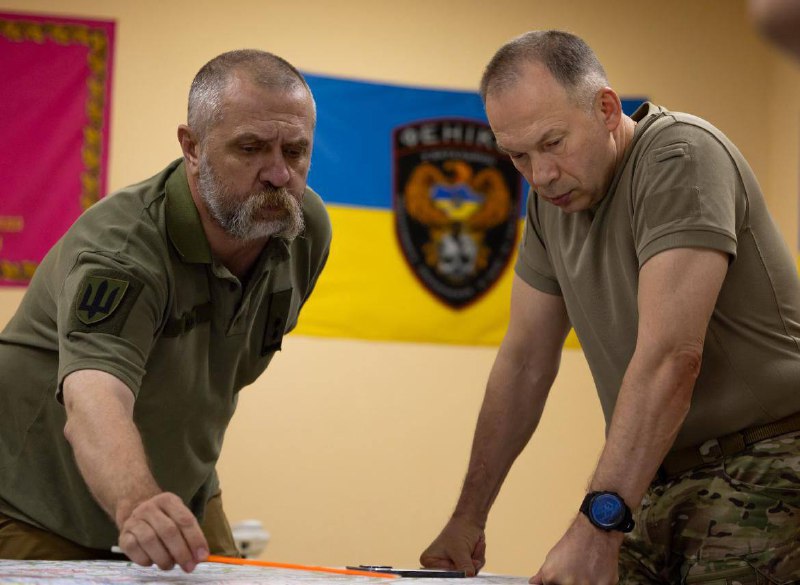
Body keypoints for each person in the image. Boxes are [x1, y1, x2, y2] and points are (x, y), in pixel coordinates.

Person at [420, 31, 800, 584]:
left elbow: (672, 358)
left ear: (604, 109)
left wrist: (596, 527)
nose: (541, 174)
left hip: (770, 459)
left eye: (553, 143)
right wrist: (466, 520)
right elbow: (524, 361)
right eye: (518, 156)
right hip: (656, 476)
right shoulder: (552, 205)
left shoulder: (679, 155)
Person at [0, 50, 331, 573]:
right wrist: (135, 503)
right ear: (192, 147)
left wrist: (156, 501)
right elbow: (94, 397)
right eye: (251, 148)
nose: (278, 174)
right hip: (32, 506)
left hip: (179, 493)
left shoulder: (302, 228)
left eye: (295, 151)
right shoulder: (122, 248)